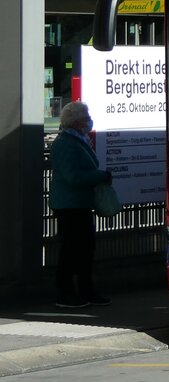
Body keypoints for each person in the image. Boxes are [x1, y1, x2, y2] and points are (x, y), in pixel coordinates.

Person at [48, 102, 113, 308]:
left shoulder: (78, 140)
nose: (88, 121)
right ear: (76, 122)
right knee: (72, 249)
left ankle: (86, 290)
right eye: (85, 118)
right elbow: (73, 177)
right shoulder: (65, 143)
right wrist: (100, 176)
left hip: (79, 203)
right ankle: (66, 292)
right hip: (69, 205)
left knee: (84, 248)